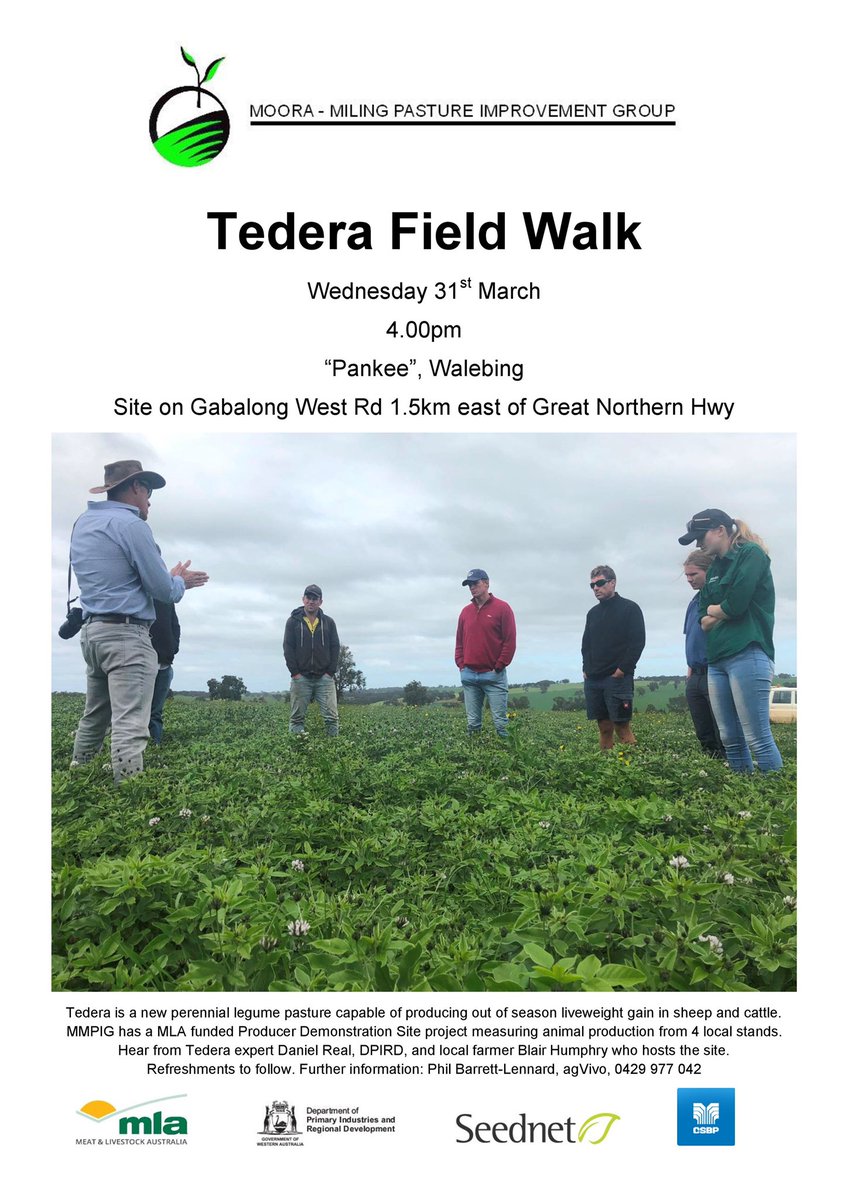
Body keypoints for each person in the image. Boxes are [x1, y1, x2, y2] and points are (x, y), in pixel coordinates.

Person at [70, 460, 208, 781]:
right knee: (131, 723)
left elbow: (116, 576)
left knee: (94, 716)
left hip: (93, 633)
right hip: (126, 636)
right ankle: (129, 797)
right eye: (148, 492)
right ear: (135, 487)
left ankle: (77, 779)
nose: (149, 501)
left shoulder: (84, 522)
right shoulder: (133, 526)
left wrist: (165, 577)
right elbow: (162, 591)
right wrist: (178, 582)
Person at [679, 508, 782, 773]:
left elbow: (736, 605)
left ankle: (772, 800)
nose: (699, 544)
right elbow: (703, 619)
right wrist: (719, 610)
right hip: (717, 660)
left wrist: (719, 609)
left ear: (721, 530)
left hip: (747, 652)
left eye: (701, 537)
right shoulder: (715, 567)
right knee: (730, 739)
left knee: (757, 737)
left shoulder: (751, 554)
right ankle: (744, 796)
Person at [582, 566, 645, 749]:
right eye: (592, 585)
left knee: (622, 726)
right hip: (594, 678)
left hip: (617, 679)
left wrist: (622, 670)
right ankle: (605, 769)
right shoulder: (592, 613)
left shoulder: (630, 608)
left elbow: (637, 643)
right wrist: (586, 668)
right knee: (603, 727)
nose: (596, 588)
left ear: (612, 582)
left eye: (600, 583)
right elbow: (586, 645)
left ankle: (632, 770)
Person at [455, 569, 516, 738]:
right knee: (473, 724)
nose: (472, 588)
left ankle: (509, 760)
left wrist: (498, 666)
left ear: (486, 583)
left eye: (475, 583)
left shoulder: (503, 608)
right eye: (469, 585)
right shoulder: (465, 612)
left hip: (493, 676)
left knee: (501, 724)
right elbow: (459, 641)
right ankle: (476, 761)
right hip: (469, 675)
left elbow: (509, 641)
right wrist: (461, 664)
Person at [682, 550, 725, 758]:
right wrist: (690, 671)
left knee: (722, 731)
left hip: (714, 670)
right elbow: (691, 637)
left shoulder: (717, 597)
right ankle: (711, 769)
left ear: (709, 571)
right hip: (695, 675)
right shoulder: (694, 601)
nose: (689, 579)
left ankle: (729, 772)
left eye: (694, 574)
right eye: (687, 576)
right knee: (704, 732)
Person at [283, 585, 340, 736]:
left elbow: (335, 647)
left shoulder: (329, 622)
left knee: (332, 718)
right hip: (301, 678)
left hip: (325, 679)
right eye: (308, 598)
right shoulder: (292, 622)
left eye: (315, 598)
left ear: (320, 602)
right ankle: (296, 752)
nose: (311, 601)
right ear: (303, 599)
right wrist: (295, 673)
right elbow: (288, 648)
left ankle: (334, 751)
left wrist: (330, 672)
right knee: (297, 719)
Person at [148, 598, 180, 746]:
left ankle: (155, 745)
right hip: (142, 662)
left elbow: (175, 626)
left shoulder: (166, 598)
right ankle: (135, 748)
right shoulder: (137, 595)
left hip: (164, 663)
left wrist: (173, 648)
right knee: (134, 710)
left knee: (155, 712)